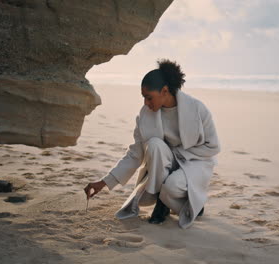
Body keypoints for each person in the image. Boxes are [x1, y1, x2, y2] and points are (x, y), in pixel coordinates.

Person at [84, 59, 220, 229]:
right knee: (154, 144)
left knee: (172, 187)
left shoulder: (197, 109)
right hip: (165, 164)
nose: (146, 103)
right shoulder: (145, 115)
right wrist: (103, 182)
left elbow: (213, 146)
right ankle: (163, 205)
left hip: (194, 163)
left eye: (149, 98)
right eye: (144, 98)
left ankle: (189, 205)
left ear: (164, 91)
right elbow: (135, 154)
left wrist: (179, 154)